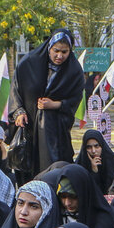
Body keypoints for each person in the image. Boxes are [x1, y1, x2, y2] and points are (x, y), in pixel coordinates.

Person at [10, 28, 86, 175]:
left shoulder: (74, 71)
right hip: (29, 128)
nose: (59, 56)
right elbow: (16, 89)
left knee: (53, 172)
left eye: (64, 52)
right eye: (56, 50)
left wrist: (54, 105)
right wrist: (19, 112)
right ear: (49, 47)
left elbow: (75, 99)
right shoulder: (29, 63)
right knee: (28, 172)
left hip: (54, 134)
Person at [54, 162, 114, 228]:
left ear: (84, 194)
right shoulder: (59, 215)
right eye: (63, 197)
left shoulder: (102, 221)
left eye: (73, 197)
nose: (67, 203)